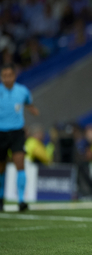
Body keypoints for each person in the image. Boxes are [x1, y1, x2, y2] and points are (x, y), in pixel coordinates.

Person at [0, 63, 39, 212]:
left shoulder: (22, 91)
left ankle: (22, 200)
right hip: (1, 133)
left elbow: (29, 104)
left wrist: (34, 111)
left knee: (20, 164)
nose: (7, 78)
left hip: (17, 133)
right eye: (4, 76)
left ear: (14, 76)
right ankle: (0, 198)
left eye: (9, 75)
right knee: (1, 168)